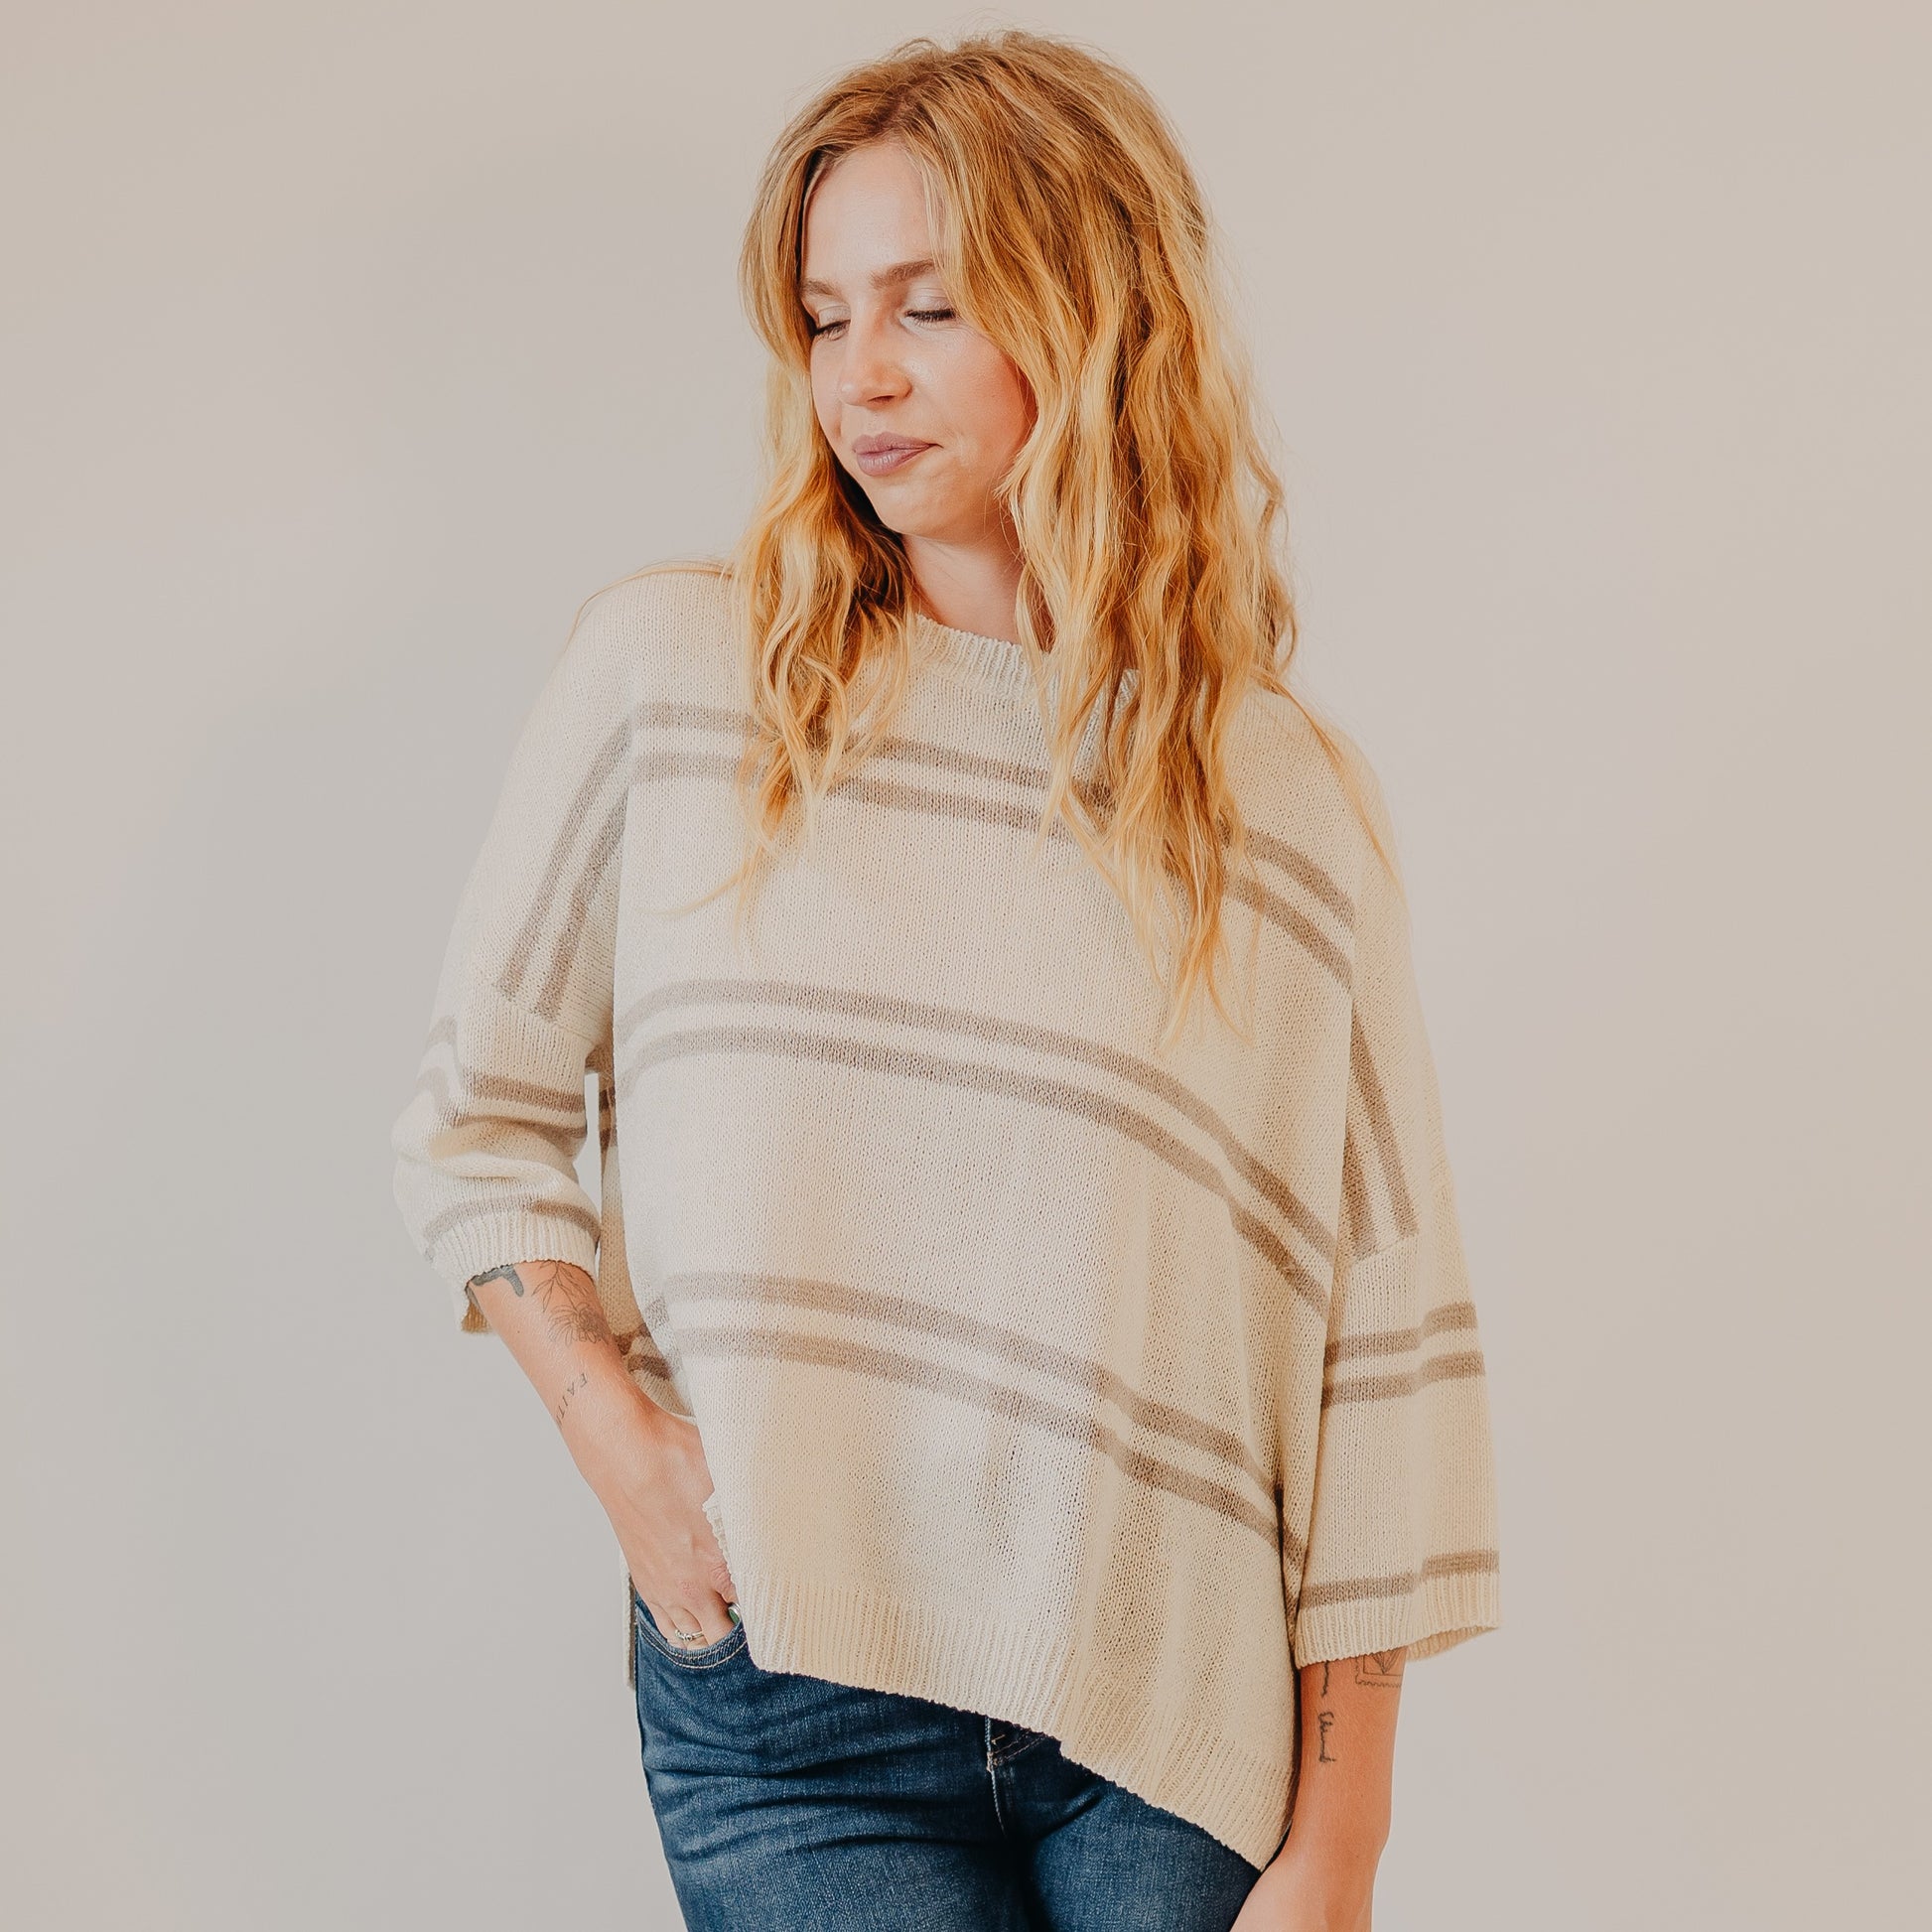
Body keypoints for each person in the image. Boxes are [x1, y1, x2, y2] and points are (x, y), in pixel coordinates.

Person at [389, 27, 1501, 1932]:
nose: (861, 376)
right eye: (825, 318)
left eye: (926, 305)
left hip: (1166, 1708)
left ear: (1093, 316)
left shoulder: (1274, 794)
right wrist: (620, 1447)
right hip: (786, 1703)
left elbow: (1378, 1339)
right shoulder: (674, 680)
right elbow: (473, 1117)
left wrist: (1344, 1840)